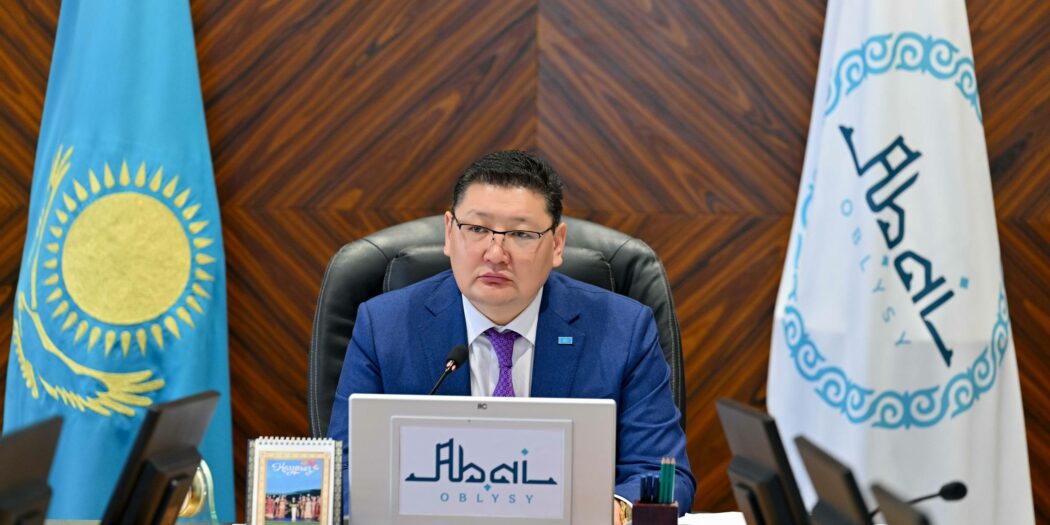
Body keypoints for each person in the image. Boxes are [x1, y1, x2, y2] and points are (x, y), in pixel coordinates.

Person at [327, 151, 695, 523]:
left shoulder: (623, 329)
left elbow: (661, 473)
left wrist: (614, 511)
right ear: (449, 233)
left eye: (521, 234)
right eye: (477, 229)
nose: (495, 253)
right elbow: (342, 471)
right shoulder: (384, 326)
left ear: (557, 244)